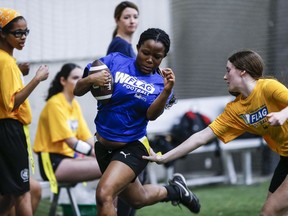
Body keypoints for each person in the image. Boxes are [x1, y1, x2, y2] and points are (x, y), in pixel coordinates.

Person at [143, 49, 288, 216]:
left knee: (269, 212)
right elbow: (201, 137)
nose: (224, 77)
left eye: (228, 70)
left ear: (243, 71)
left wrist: (283, 114)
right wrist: (164, 157)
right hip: (285, 157)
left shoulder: (268, 87)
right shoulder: (236, 110)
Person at [74, 28, 201, 216]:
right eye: (146, 53)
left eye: (157, 57)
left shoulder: (160, 83)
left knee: (104, 194)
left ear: (163, 57)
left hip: (133, 146)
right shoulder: (115, 60)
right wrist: (92, 78)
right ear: (138, 47)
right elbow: (77, 90)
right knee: (138, 198)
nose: (150, 60)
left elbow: (151, 115)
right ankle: (176, 191)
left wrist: (166, 91)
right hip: (103, 145)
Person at [0, 8, 49, 216]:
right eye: (17, 33)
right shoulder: (6, 62)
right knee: (21, 192)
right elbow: (11, 103)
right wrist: (36, 79)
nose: (23, 37)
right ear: (2, 33)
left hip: (5, 130)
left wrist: (17, 71)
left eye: (25, 32)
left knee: (10, 193)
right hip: (9, 130)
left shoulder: (7, 61)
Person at [33, 63, 102, 187]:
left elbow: (86, 137)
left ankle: (114, 206)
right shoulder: (55, 104)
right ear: (63, 81)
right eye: (75, 78)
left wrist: (101, 150)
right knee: (107, 164)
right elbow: (71, 142)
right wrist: (94, 153)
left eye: (82, 78)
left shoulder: (74, 104)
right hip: (52, 162)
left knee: (113, 163)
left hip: (69, 159)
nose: (79, 81)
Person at [106, 2, 144, 215]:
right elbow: (122, 84)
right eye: (127, 17)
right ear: (117, 20)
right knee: (129, 186)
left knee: (133, 184)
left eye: (135, 16)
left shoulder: (127, 45)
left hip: (128, 119)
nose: (132, 20)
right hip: (124, 122)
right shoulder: (120, 46)